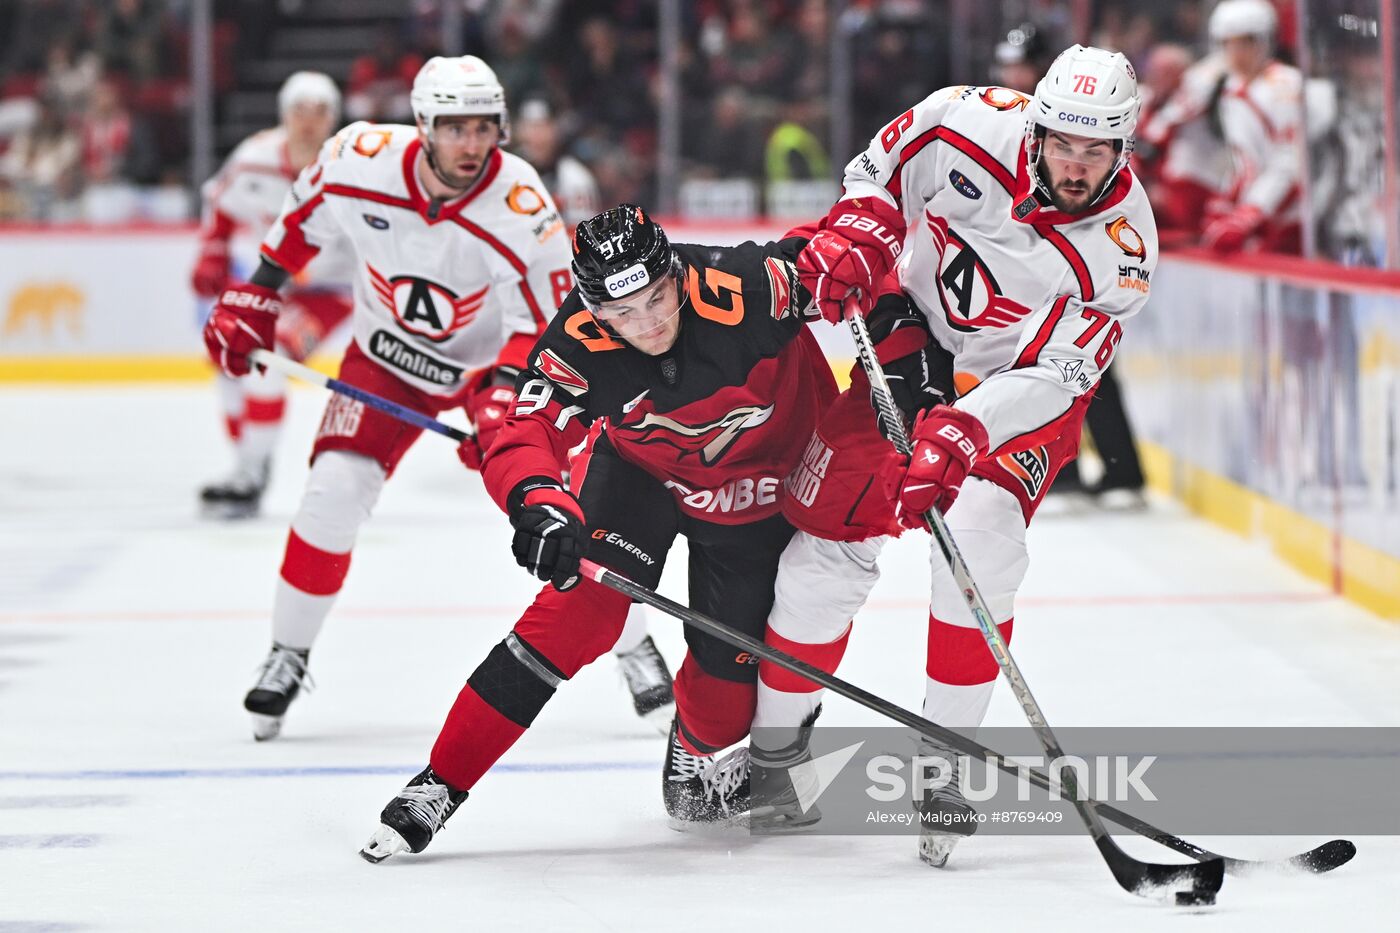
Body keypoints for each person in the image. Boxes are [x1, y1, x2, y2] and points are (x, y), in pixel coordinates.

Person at [358, 204, 924, 862]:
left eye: (658, 299)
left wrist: (897, 345)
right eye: (623, 314)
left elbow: (850, 262)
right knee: (575, 614)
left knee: (723, 703)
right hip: (640, 480)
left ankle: (695, 742)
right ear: (594, 308)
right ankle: (440, 781)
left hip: (760, 491)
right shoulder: (576, 340)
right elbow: (525, 432)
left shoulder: (751, 283)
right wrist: (537, 501)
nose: (649, 323)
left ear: (674, 274)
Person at [746, 45, 1157, 868]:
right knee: (826, 558)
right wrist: (861, 231)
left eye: (1097, 150)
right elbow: (877, 172)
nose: (1076, 167)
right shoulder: (960, 119)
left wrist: (968, 427)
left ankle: (945, 767)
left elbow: (1054, 374)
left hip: (1016, 395)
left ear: (1124, 146)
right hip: (907, 348)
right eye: (1064, 144)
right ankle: (775, 753)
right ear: (1037, 127)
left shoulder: (1123, 248)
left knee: (983, 537)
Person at [203, 55, 577, 741]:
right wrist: (257, 289)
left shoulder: (522, 204)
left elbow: (543, 326)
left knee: (562, 503)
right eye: (456, 128)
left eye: (485, 128)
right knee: (330, 492)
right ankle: (288, 651)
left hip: (486, 368)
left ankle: (632, 646)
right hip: (385, 359)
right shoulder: (358, 158)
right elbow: (299, 217)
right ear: (422, 124)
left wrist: (502, 393)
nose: (473, 145)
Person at [192, 71, 354, 518]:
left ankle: (250, 470)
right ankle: (248, 466)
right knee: (230, 357)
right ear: (284, 114)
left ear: (334, 117)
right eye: (300, 110)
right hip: (275, 287)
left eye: (320, 111)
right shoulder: (253, 158)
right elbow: (220, 204)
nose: (308, 121)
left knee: (269, 353)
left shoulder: (351, 165)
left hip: (335, 291)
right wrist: (211, 254)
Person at [1198, 0, 1303, 255]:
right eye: (1228, 43)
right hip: (1262, 214)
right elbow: (1244, 159)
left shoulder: (1285, 85)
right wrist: (1227, 201)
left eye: (1246, 42)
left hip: (1294, 218)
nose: (1237, 53)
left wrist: (1250, 212)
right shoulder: (1230, 88)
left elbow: (1290, 162)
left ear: (1265, 41)